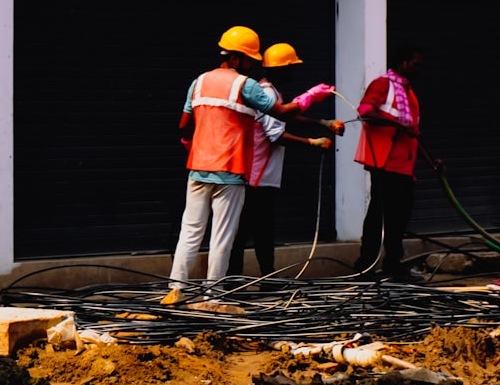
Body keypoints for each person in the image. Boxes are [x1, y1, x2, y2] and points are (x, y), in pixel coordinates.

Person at [167, 26, 333, 295]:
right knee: (223, 236)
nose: (251, 66)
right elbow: (280, 111)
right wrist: (311, 96)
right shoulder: (245, 86)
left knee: (191, 232)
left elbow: (184, 127)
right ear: (234, 58)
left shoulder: (198, 82)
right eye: (248, 60)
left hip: (198, 169)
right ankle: (214, 295)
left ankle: (175, 290)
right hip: (230, 171)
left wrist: (192, 147)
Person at [228, 42, 345, 278]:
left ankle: (260, 279)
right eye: (291, 68)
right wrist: (312, 143)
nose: (293, 73)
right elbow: (276, 135)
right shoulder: (268, 93)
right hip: (256, 178)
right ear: (280, 69)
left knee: (258, 231)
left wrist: (322, 123)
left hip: (259, 177)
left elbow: (286, 117)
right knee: (252, 232)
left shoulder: (269, 91)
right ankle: (240, 281)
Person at [351, 42, 440, 281]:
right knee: (379, 214)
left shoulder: (408, 92)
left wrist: (431, 160)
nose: (419, 69)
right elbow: (365, 111)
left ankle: (391, 264)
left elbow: (413, 133)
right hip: (384, 162)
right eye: (415, 64)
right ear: (403, 62)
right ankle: (366, 266)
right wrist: (396, 123)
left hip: (403, 165)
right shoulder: (383, 85)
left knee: (398, 216)